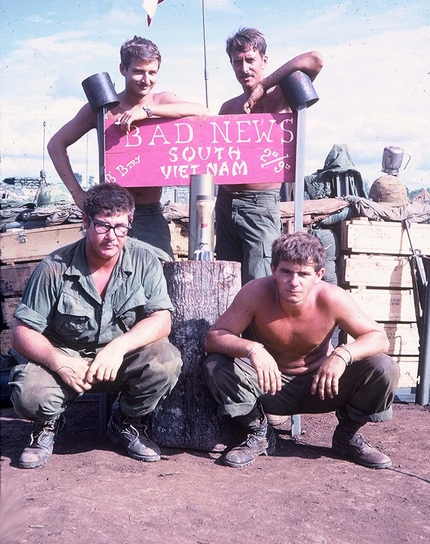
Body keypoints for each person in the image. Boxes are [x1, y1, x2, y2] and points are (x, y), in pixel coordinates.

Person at [8, 182, 182, 469]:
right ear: (86, 222)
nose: (111, 237)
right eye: (102, 226)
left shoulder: (145, 260)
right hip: (67, 361)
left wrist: (117, 348)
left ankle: (127, 422)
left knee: (165, 361)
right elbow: (21, 332)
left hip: (118, 360)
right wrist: (59, 361)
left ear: (130, 223)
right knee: (29, 395)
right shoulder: (54, 267)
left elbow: (161, 319)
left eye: (120, 227)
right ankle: (47, 425)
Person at [204, 232, 400, 469]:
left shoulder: (332, 297)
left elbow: (379, 338)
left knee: (383, 367)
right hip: (270, 387)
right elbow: (214, 337)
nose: (293, 282)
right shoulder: (256, 293)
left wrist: (341, 355)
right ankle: (258, 433)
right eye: (286, 272)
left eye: (303, 274)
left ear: (318, 275)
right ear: (273, 268)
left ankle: (348, 435)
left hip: (322, 387)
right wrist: (252, 348)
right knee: (217, 364)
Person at [48, 36, 209, 261]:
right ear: (123, 69)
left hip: (148, 213)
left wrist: (147, 112)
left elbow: (203, 112)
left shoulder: (161, 101)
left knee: (160, 271)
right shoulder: (103, 108)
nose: (146, 79)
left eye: (152, 72)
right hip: (108, 215)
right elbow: (56, 144)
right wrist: (77, 194)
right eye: (139, 71)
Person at [216, 27, 323, 283]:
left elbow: (315, 59)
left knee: (260, 279)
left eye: (250, 60)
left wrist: (264, 86)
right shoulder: (228, 107)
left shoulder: (279, 96)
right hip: (225, 203)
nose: (244, 68)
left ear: (264, 61)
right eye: (237, 61)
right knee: (226, 281)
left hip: (259, 204)